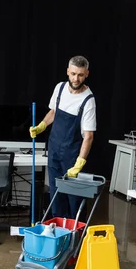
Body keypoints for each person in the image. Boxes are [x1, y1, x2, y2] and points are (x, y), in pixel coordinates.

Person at [29, 55, 96, 220]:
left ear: (87, 73)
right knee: (55, 194)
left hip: (72, 155)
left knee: (74, 198)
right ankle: (58, 230)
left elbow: (88, 136)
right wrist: (42, 125)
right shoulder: (59, 88)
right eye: (73, 73)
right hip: (54, 151)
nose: (76, 78)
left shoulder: (88, 100)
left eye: (80, 74)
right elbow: (53, 112)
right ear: (68, 71)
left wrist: (79, 163)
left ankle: (76, 234)